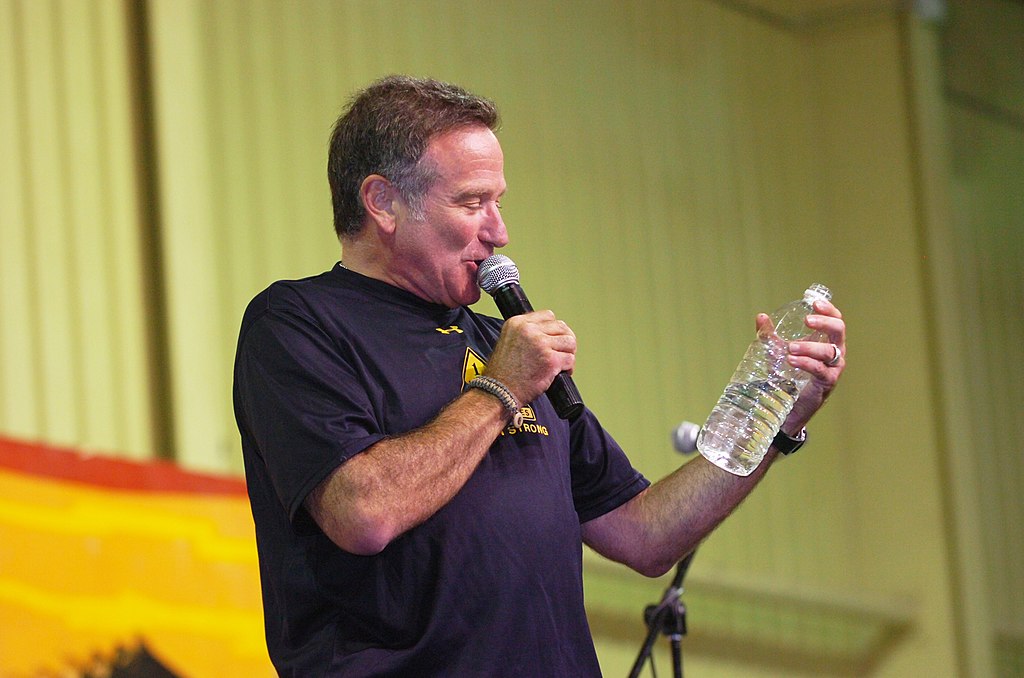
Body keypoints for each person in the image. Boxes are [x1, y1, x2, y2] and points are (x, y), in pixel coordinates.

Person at [233, 75, 847, 677]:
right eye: (472, 203)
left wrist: (775, 414)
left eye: (499, 203)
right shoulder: (298, 323)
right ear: (383, 202)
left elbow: (646, 534)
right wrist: (499, 392)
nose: (499, 232)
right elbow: (363, 513)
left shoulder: (499, 344)